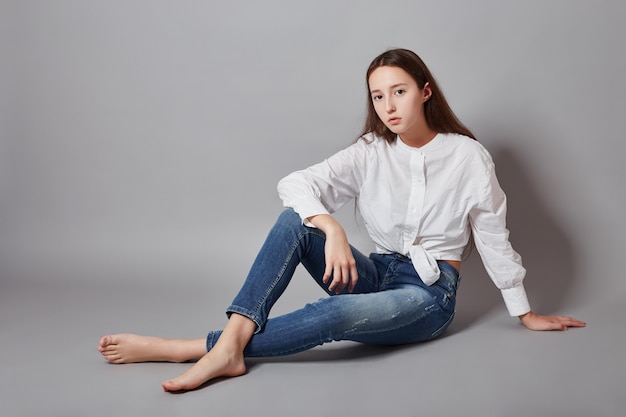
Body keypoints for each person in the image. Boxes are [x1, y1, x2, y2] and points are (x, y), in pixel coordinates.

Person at [98, 48, 585, 392]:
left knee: (333, 315)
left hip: (427, 295)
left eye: (399, 91)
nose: (388, 106)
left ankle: (200, 348)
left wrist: (524, 311)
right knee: (296, 221)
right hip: (376, 274)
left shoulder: (468, 157)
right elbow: (295, 184)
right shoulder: (371, 151)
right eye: (377, 96)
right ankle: (229, 344)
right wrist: (330, 226)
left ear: (425, 91)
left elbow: (494, 235)